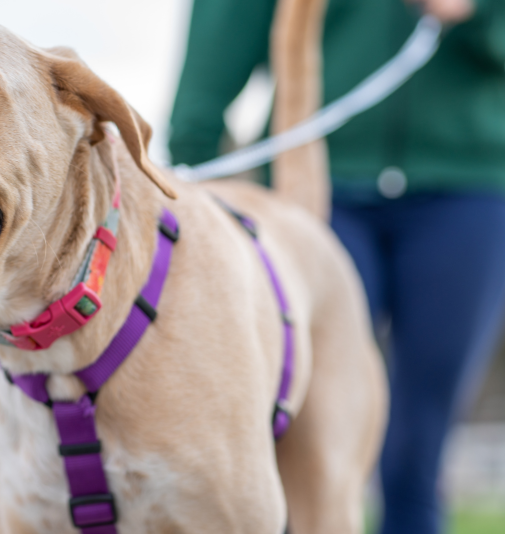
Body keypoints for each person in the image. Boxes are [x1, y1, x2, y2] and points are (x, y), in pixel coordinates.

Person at [169, 1, 505, 533]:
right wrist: (194, 171)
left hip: (469, 187)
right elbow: (225, 30)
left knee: (419, 442)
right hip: (317, 184)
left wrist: (480, 14)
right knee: (286, 423)